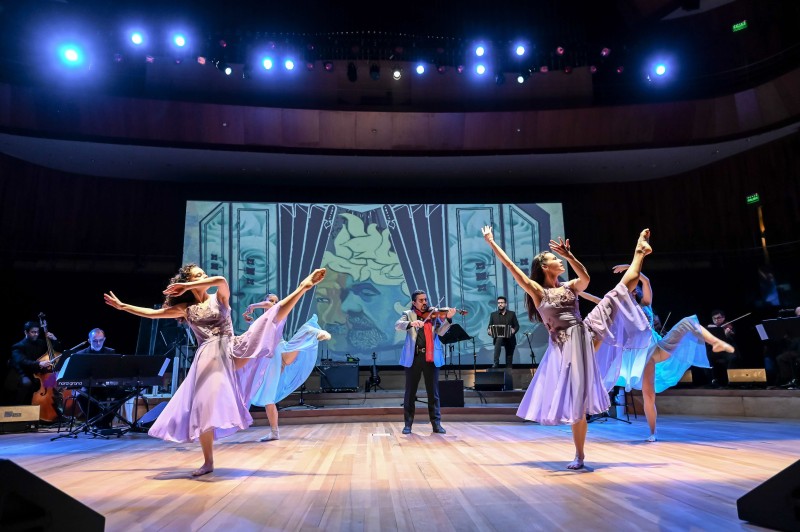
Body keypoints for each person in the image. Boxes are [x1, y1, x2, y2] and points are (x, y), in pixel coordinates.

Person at [104, 264, 326, 477]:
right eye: (197, 275)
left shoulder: (218, 296)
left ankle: (302, 287)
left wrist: (187, 286)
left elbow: (221, 280)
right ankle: (208, 461)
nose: (203, 277)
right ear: (188, 281)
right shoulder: (186, 308)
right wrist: (123, 306)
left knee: (268, 319)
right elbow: (152, 315)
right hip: (208, 357)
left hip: (232, 347)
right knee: (203, 408)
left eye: (203, 274)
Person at [482, 225, 652, 470]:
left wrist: (570, 256)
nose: (558, 260)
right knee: (577, 401)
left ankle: (639, 251)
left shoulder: (569, 287)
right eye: (554, 259)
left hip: (584, 332)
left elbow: (585, 279)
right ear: (544, 267)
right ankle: (580, 455)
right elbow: (512, 268)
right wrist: (491, 242)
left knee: (619, 292)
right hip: (566, 345)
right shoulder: (538, 291)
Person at [584, 267, 734, 442]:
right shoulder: (619, 309)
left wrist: (630, 268)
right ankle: (653, 432)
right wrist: (578, 292)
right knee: (649, 396)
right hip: (640, 355)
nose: (633, 293)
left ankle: (715, 342)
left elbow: (646, 282)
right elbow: (598, 301)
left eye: (634, 290)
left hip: (657, 347)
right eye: (630, 291)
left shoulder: (646, 305)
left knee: (687, 322)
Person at [240, 293, 331, 442]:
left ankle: (313, 332)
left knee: (294, 347)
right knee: (268, 398)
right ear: (264, 301)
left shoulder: (279, 313)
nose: (274, 303)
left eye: (276, 301)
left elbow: (272, 308)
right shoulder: (262, 320)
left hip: (278, 351)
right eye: (271, 300)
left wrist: (253, 306)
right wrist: (251, 322)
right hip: (269, 357)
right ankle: (274, 432)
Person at [395, 290, 455, 435]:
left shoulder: (433, 315)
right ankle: (408, 425)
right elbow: (398, 325)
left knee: (433, 393)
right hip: (414, 357)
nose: (424, 303)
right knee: (410, 392)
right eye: (421, 300)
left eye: (425, 300)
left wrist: (448, 319)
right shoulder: (408, 313)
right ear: (414, 302)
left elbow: (441, 332)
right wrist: (411, 323)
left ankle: (436, 424)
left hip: (431, 357)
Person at [4, 321, 61, 408]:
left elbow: (54, 350)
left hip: (39, 373)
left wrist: (55, 340)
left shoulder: (41, 343)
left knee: (53, 382)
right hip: (24, 372)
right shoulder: (18, 346)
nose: (36, 334)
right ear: (26, 332)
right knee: (27, 383)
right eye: (33, 332)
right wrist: (39, 363)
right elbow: (23, 361)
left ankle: (55, 408)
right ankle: (18, 407)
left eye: (37, 332)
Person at [70, 328, 118, 429]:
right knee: (80, 396)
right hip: (88, 387)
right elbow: (77, 375)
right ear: (89, 341)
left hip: (106, 387)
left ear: (104, 339)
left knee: (123, 395)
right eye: (95, 341)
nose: (98, 343)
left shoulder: (110, 352)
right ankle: (95, 422)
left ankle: (105, 421)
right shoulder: (81, 354)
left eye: (101, 340)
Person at [706, 309, 738, 386]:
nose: (717, 320)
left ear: (723, 318)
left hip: (727, 351)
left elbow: (733, 338)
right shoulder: (710, 328)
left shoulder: (728, 326)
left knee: (733, 358)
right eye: (714, 318)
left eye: (719, 318)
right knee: (706, 358)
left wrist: (727, 334)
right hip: (716, 351)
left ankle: (731, 380)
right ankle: (713, 380)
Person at [487, 296, 520, 368]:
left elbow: (517, 326)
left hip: (509, 338)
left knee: (509, 358)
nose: (500, 304)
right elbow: (489, 326)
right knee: (499, 338)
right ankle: (496, 362)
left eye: (502, 303)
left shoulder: (512, 314)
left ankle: (509, 367)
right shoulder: (493, 315)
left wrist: (513, 330)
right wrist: (489, 331)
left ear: (506, 304)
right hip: (499, 339)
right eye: (498, 303)